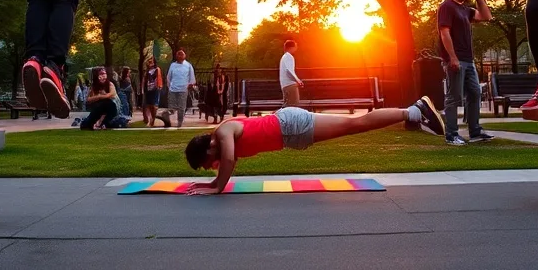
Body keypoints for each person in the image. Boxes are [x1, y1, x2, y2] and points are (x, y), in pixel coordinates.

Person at [183, 98, 446, 194]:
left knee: (355, 124)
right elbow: (227, 162)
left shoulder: (223, 131)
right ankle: (412, 113)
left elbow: (228, 161)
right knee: (355, 125)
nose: (212, 168)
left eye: (207, 165)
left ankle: (413, 112)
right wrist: (212, 183)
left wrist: (216, 187)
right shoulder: (222, 137)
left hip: (290, 126)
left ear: (207, 151)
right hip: (291, 132)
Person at [437, 0, 495, 145]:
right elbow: (444, 33)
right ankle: (451, 135)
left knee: (475, 93)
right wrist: (452, 57)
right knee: (454, 96)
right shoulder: (446, 6)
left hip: (469, 60)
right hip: (456, 59)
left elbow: (486, 16)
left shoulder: (465, 9)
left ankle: (475, 131)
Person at [158, 50, 195, 128]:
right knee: (172, 108)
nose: (180, 56)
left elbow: (192, 78)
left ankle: (179, 123)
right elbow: (169, 77)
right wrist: (169, 86)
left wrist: (190, 85)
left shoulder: (188, 65)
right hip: (173, 90)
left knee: (181, 108)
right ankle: (165, 115)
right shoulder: (173, 65)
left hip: (183, 89)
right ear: (176, 56)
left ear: (184, 56)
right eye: (178, 54)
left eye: (182, 54)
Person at [279, 40, 304, 108]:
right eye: (296, 46)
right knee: (293, 106)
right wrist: (298, 81)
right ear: (291, 47)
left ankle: (275, 116)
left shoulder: (284, 57)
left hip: (285, 85)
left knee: (287, 106)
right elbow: (289, 71)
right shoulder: (289, 57)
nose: (296, 48)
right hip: (290, 85)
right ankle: (274, 116)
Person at [141, 56, 163, 126]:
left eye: (151, 60)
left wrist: (159, 86)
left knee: (154, 105)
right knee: (148, 105)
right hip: (147, 89)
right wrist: (142, 89)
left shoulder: (157, 69)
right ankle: (150, 119)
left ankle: (153, 119)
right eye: (149, 61)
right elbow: (144, 80)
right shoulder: (146, 71)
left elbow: (158, 78)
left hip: (155, 89)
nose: (150, 62)